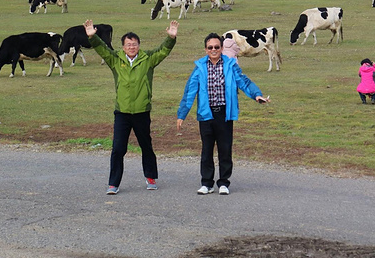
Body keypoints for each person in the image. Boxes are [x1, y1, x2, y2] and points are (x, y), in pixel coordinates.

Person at [84, 19, 179, 195]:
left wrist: (171, 38)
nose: (131, 47)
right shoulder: (115, 60)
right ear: (123, 47)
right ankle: (113, 184)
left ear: (139, 45)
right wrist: (92, 37)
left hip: (142, 111)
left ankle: (150, 177)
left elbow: (163, 51)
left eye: (134, 44)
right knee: (118, 148)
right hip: (122, 112)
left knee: (146, 145)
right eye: (128, 45)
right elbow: (103, 50)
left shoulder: (147, 59)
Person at [177, 33, 269, 196]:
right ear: (206, 49)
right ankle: (207, 183)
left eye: (217, 47)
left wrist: (256, 94)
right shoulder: (199, 67)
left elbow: (244, 82)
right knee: (206, 150)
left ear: (221, 48)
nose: (213, 50)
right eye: (210, 47)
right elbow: (190, 91)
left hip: (224, 114)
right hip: (206, 114)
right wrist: (182, 114)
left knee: (225, 149)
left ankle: (224, 183)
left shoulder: (230, 64)